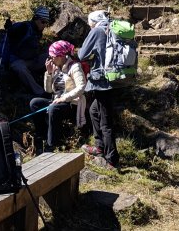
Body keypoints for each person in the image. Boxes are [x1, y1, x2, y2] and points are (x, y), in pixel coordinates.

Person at [78, 10, 119, 171]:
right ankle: (99, 147)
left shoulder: (97, 30)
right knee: (94, 110)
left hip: (102, 82)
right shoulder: (112, 29)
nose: (90, 26)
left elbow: (82, 55)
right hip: (113, 78)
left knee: (106, 122)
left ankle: (112, 160)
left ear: (93, 21)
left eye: (90, 24)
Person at [29, 40, 86, 153]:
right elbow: (48, 90)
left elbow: (81, 86)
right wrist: (49, 73)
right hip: (57, 101)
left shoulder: (75, 66)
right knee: (34, 103)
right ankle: (42, 136)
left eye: (53, 56)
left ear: (61, 56)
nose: (51, 59)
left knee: (53, 109)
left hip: (71, 103)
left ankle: (51, 145)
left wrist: (64, 98)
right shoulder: (56, 67)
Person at [6, 7, 50, 96]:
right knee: (20, 68)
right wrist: (9, 29)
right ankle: (40, 92)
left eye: (46, 22)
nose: (44, 25)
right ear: (36, 19)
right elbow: (12, 32)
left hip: (33, 59)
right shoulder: (24, 27)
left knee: (52, 56)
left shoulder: (38, 31)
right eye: (43, 22)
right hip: (18, 61)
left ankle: (57, 85)